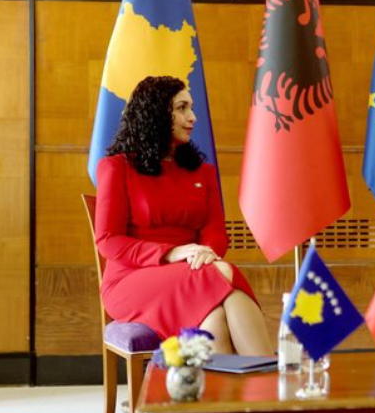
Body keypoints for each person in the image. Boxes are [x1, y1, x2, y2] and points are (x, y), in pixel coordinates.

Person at [95, 75, 272, 356]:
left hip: (195, 271)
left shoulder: (203, 172)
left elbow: (215, 233)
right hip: (131, 279)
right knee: (224, 274)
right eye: (181, 108)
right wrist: (171, 253)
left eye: (191, 107)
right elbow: (108, 240)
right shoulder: (117, 168)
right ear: (156, 113)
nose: (192, 117)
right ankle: (267, 373)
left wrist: (204, 255)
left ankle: (225, 383)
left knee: (215, 314)